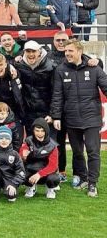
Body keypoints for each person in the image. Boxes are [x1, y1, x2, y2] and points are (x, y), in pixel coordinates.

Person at [51, 39, 107, 197]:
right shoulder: (61, 69)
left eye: (70, 51)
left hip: (91, 118)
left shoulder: (94, 68)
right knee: (77, 152)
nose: (67, 53)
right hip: (71, 118)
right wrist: (56, 116)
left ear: (79, 52)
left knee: (93, 151)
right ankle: (82, 178)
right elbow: (57, 95)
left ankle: (92, 183)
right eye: (66, 51)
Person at [20, 118, 60, 200]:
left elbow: (53, 166)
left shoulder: (53, 146)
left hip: (47, 173)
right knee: (21, 174)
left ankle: (50, 189)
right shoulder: (28, 141)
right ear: (33, 131)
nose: (40, 133)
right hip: (31, 169)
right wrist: (23, 155)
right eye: (37, 130)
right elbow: (21, 154)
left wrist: (39, 174)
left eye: (42, 131)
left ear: (46, 131)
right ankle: (31, 187)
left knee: (53, 179)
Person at [0, 126, 26, 207]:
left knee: (11, 196)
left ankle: (9, 189)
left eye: (7, 138)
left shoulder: (15, 154)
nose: (4, 141)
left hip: (10, 179)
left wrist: (14, 184)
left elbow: (21, 172)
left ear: (10, 140)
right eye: (1, 138)